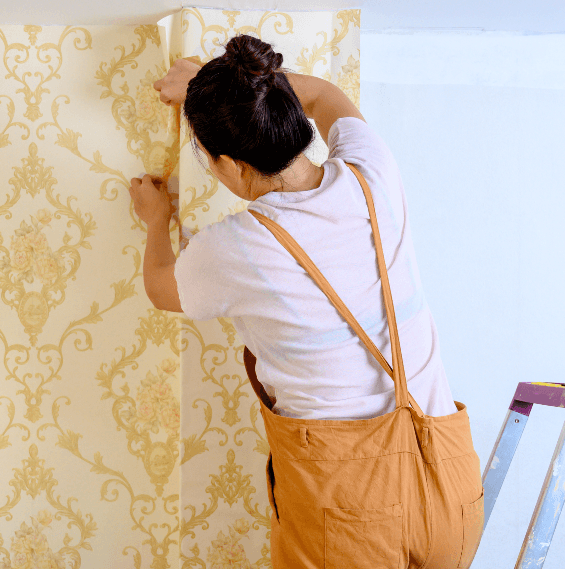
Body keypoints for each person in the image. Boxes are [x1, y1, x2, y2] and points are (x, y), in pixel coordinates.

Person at [128, 34, 484, 568]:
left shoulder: (239, 246)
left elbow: (161, 288)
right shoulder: (373, 171)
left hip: (350, 511)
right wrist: (226, 83)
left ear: (229, 164)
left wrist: (157, 221)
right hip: (451, 490)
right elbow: (323, 94)